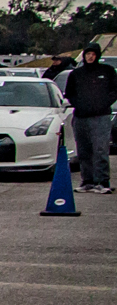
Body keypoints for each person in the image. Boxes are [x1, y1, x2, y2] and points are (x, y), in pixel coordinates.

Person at [63, 46, 114, 194]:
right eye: (88, 54)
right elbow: (70, 93)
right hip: (81, 117)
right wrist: (79, 105)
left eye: (93, 54)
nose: (90, 57)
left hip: (101, 117)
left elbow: (114, 91)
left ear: (97, 56)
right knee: (84, 151)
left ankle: (103, 182)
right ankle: (87, 181)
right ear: (84, 56)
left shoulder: (107, 71)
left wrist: (103, 104)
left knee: (100, 149)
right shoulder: (76, 74)